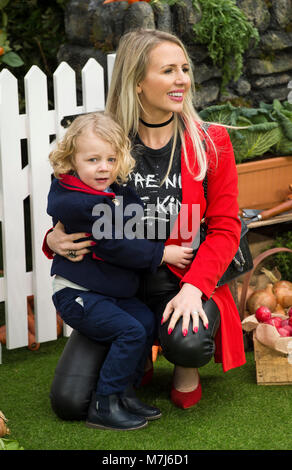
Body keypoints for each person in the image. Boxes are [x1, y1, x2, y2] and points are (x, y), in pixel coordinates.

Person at [44, 28, 246, 412]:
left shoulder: (209, 141)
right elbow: (75, 204)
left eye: (184, 69)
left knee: (187, 339)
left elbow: (225, 227)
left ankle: (182, 363)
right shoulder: (106, 140)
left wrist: (195, 289)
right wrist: (52, 239)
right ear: (138, 82)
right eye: (168, 70)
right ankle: (138, 355)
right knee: (70, 403)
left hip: (180, 277)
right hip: (117, 289)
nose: (182, 79)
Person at [47, 111, 193, 430]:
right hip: (79, 293)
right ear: (71, 161)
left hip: (108, 292)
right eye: (93, 160)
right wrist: (161, 253)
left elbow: (133, 207)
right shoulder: (77, 202)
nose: (103, 168)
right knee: (128, 331)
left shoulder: (106, 189)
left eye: (111, 159)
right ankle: (104, 403)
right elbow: (116, 245)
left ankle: (125, 392)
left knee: (142, 320)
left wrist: (125, 208)